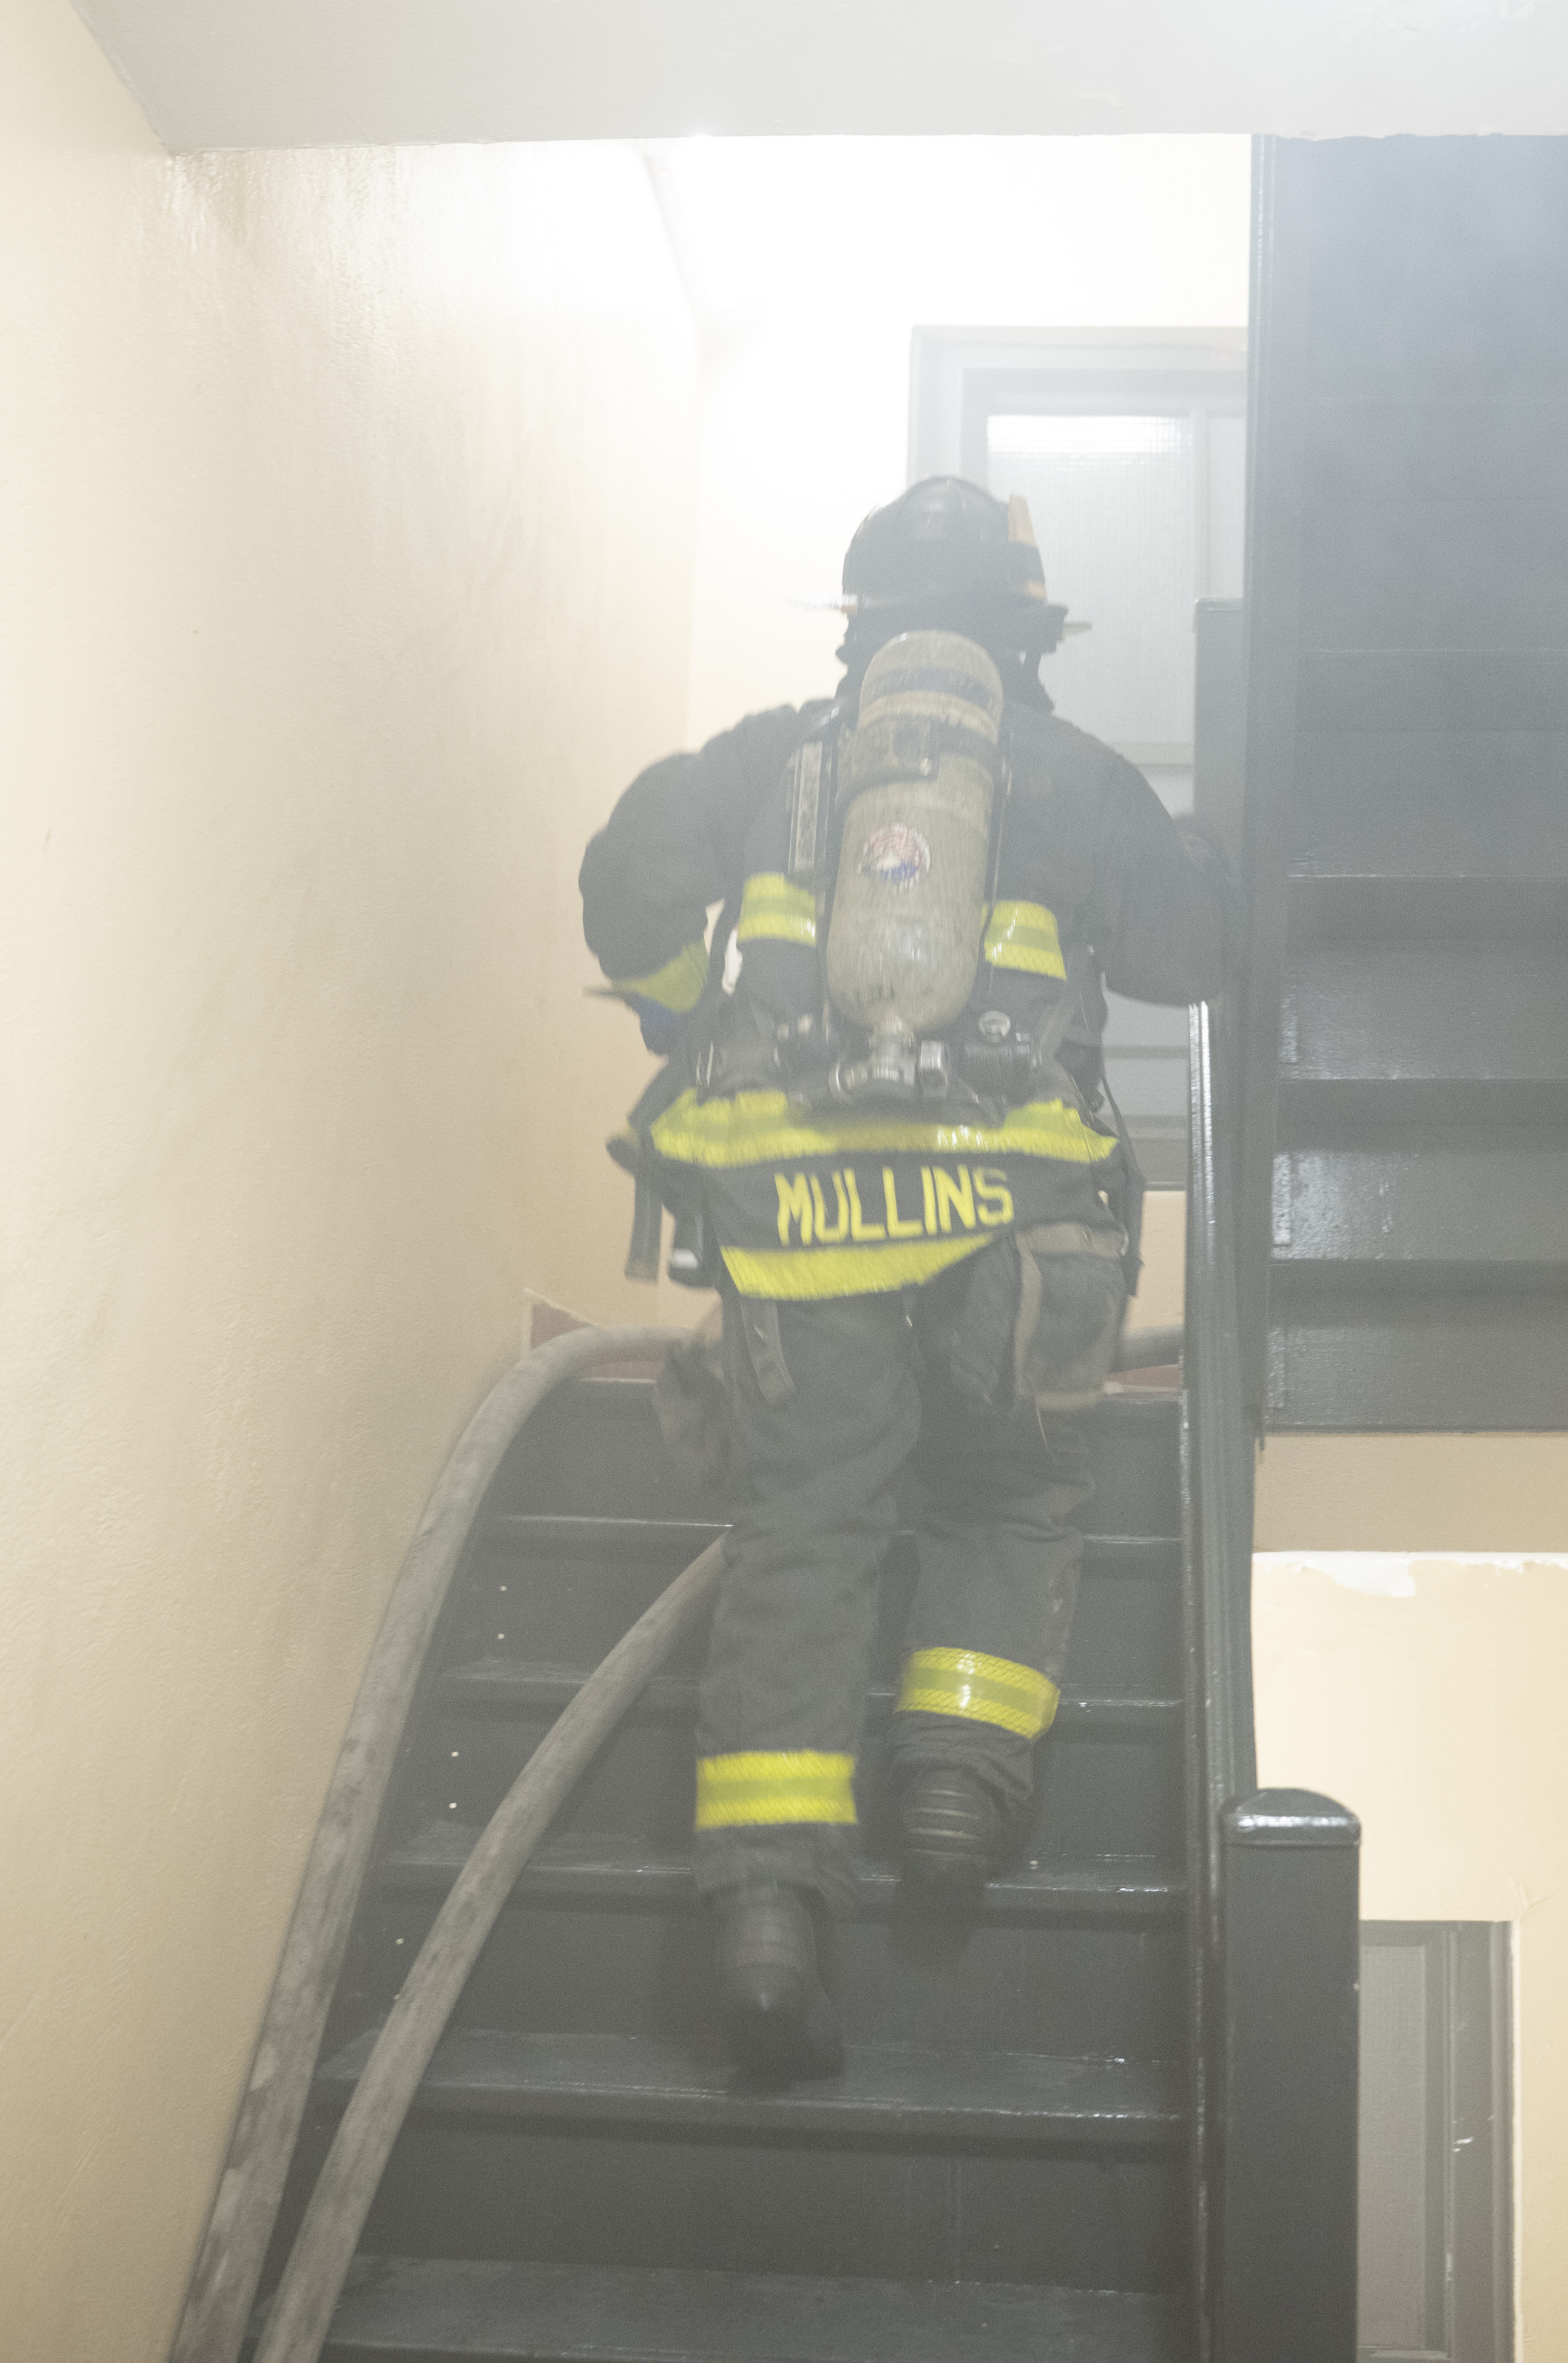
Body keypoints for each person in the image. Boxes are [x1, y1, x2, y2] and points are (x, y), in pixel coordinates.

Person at [576, 476, 1229, 2079]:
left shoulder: (770, 757)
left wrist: (677, 1011)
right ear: (1027, 632)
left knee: (807, 1522)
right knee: (1004, 1489)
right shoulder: (1070, 774)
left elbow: (627, 879)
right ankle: (951, 1779)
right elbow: (1190, 951)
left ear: (859, 624)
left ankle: (766, 1914)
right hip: (1022, 1219)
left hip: (796, 1214)